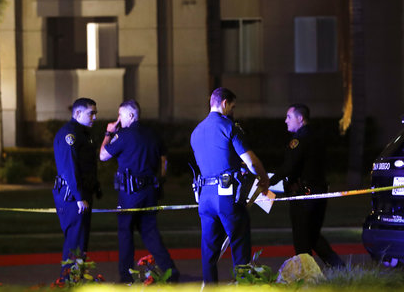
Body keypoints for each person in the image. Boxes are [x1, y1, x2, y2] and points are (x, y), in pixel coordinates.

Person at [190, 87, 269, 283]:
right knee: (239, 242)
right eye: (232, 107)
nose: (233, 112)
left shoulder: (196, 132)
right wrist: (264, 178)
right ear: (224, 103)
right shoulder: (228, 127)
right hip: (226, 195)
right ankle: (243, 285)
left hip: (204, 196)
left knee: (209, 252)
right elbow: (251, 161)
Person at [99, 100, 179, 283]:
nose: (118, 119)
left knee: (125, 232)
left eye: (121, 115)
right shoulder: (152, 133)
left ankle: (126, 277)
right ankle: (170, 271)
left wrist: (108, 133)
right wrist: (162, 180)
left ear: (131, 115)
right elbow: (164, 160)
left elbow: (103, 155)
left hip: (129, 193)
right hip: (150, 191)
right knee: (150, 232)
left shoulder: (124, 135)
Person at [270, 103, 345, 269]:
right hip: (319, 193)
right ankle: (339, 267)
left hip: (303, 196)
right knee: (313, 236)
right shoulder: (317, 136)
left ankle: (306, 275)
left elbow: (289, 167)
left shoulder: (298, 140)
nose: (285, 121)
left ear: (300, 118)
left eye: (289, 117)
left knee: (302, 240)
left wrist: (268, 182)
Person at [53, 97, 101, 278]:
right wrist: (80, 196)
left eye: (95, 113)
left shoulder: (83, 134)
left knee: (80, 243)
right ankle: (68, 283)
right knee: (75, 243)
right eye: (91, 113)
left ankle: (76, 280)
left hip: (79, 195)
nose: (94, 117)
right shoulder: (70, 135)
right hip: (72, 197)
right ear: (78, 113)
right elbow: (69, 168)